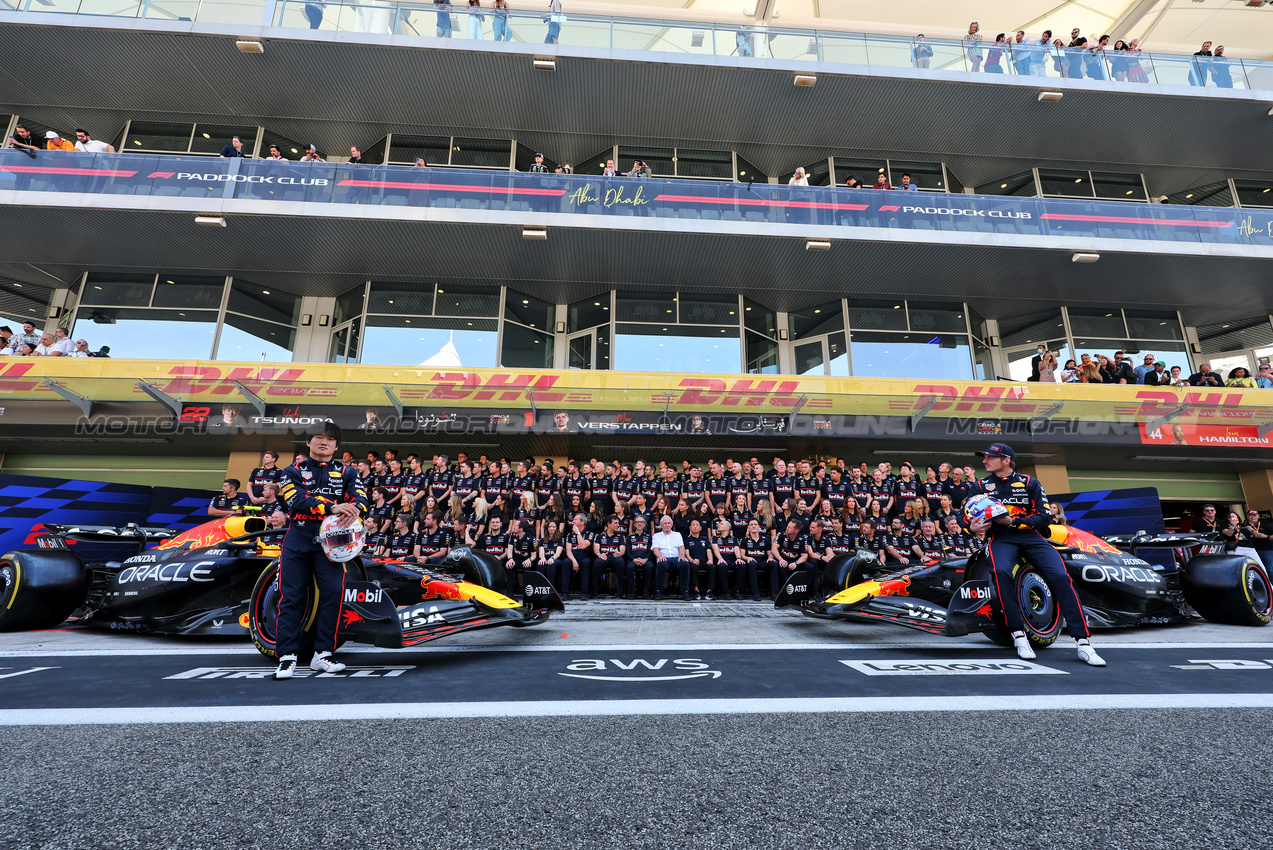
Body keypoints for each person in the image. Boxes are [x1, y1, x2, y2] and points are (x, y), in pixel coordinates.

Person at [965, 443, 1105, 667]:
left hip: (1031, 536)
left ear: (1006, 460)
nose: (984, 461)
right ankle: (1018, 635)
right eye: (985, 457)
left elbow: (1044, 517)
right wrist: (971, 528)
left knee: (1060, 577)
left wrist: (1015, 522)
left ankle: (1084, 643)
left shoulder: (1030, 482)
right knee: (1001, 572)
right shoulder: (980, 485)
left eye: (990, 457)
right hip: (1001, 538)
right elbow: (966, 515)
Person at [273, 422, 367, 679]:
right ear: (308, 442)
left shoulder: (348, 472)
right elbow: (296, 501)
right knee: (291, 595)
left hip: (334, 542)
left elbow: (361, 498)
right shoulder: (292, 471)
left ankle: (323, 654)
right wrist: (334, 507)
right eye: (318, 437)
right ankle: (287, 656)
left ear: (337, 446)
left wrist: (355, 508)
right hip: (298, 537)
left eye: (329, 439)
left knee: (333, 594)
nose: (323, 442)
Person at [650, 514, 686, 601]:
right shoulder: (656, 536)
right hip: (664, 558)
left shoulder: (677, 535)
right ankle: (659, 591)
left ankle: (685, 591)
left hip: (676, 558)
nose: (667, 525)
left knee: (684, 564)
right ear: (661, 525)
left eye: (669, 523)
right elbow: (655, 550)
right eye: (665, 523)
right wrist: (660, 556)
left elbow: (681, 547)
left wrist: (682, 555)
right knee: (661, 564)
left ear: (671, 524)